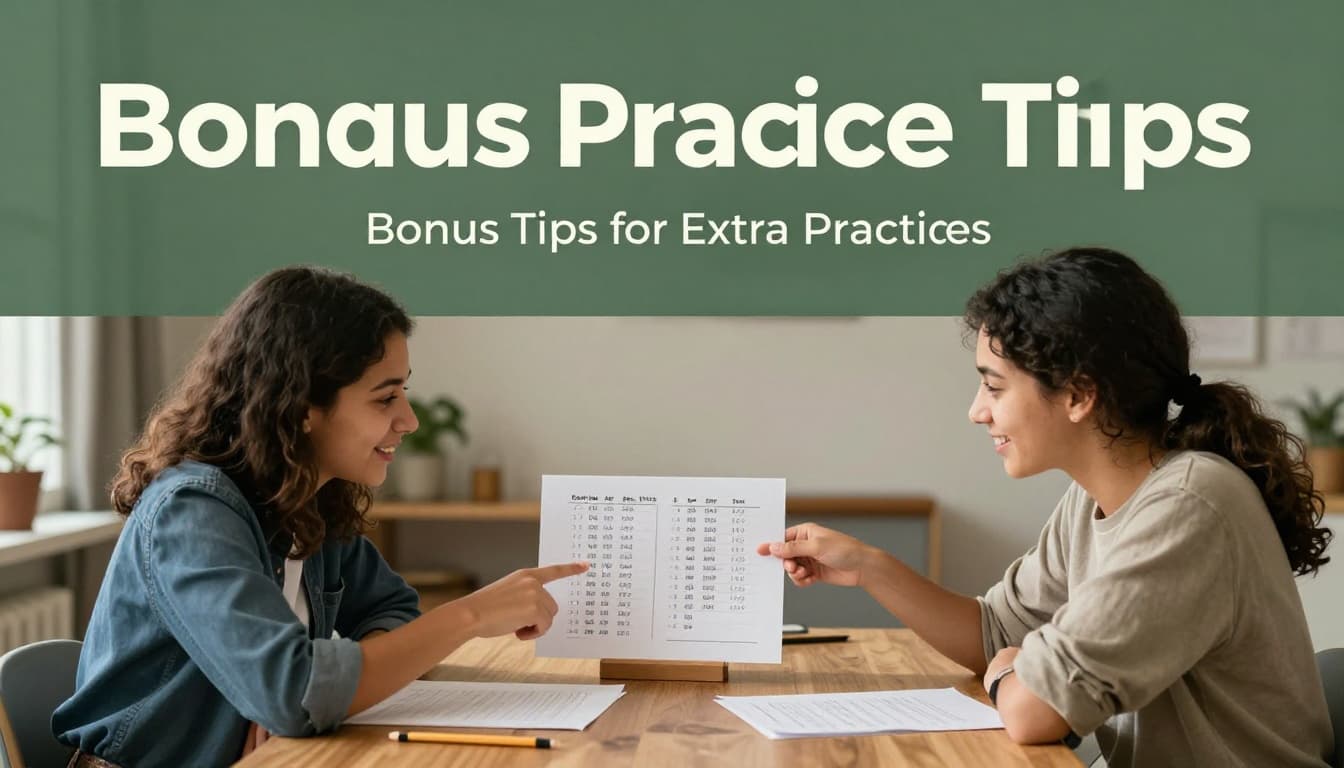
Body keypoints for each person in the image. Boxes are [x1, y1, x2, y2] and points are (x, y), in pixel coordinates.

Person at [760, 248, 1334, 767]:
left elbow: (1035, 713)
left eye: (995, 387)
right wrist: (871, 568)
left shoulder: (1188, 505)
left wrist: (1013, 671)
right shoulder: (1094, 497)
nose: (977, 412)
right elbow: (995, 632)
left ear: (1079, 396)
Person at [53, 267, 587, 768]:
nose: (409, 419)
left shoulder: (306, 502)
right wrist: (468, 617)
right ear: (303, 406)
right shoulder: (191, 513)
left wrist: (310, 696)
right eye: (386, 398)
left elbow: (391, 609)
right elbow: (294, 694)